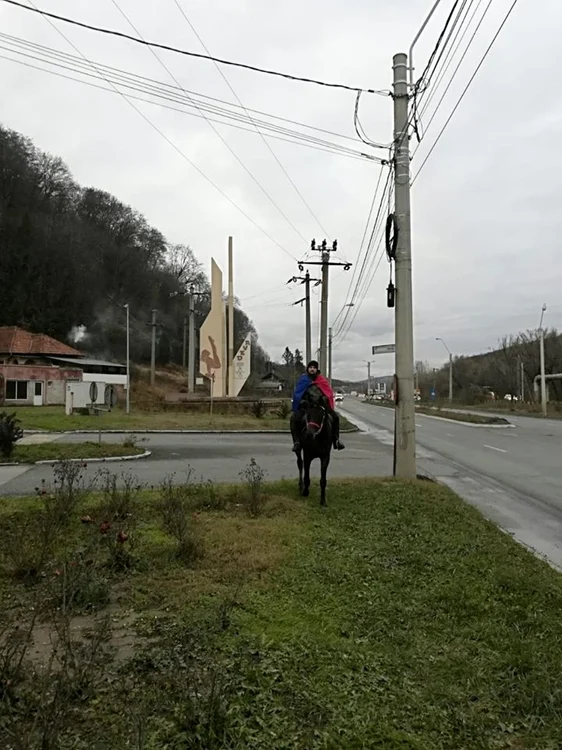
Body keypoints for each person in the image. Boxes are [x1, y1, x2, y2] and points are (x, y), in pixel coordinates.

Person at [291, 360, 345, 452]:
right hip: (307, 406)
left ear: (317, 369)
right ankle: (297, 442)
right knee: (295, 418)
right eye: (310, 367)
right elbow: (298, 394)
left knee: (335, 417)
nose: (312, 369)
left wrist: (324, 399)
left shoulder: (321, 380)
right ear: (308, 369)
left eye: (314, 368)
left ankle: (336, 440)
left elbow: (328, 393)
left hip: (321, 405)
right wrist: (303, 402)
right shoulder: (303, 379)